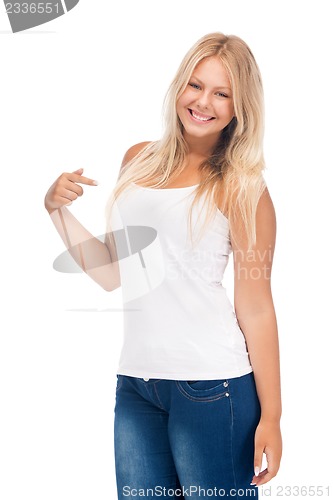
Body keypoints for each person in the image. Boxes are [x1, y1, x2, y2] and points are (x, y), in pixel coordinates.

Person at [44, 32, 282, 499]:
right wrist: (56, 210)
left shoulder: (242, 186)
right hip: (137, 384)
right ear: (179, 86)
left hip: (214, 387)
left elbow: (256, 307)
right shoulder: (138, 160)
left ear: (241, 107)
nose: (203, 102)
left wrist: (272, 416)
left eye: (222, 93)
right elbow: (111, 273)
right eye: (195, 85)